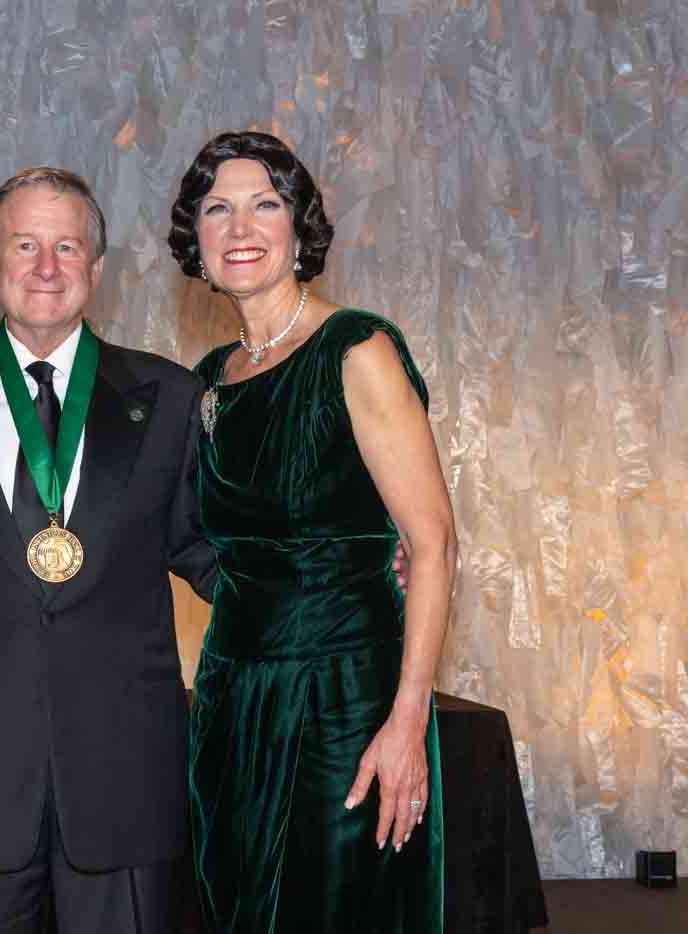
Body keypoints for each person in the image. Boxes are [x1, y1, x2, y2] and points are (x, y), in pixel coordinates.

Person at [0, 167, 217, 933]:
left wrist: (341, 574)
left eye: (67, 247)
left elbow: (213, 553)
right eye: (25, 245)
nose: (46, 267)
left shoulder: (168, 399)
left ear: (96, 271)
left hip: (124, 779)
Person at [168, 130, 455, 933]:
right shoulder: (207, 381)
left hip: (346, 694)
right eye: (216, 209)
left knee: (334, 909)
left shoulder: (355, 349)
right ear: (196, 240)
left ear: (300, 228)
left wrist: (406, 722)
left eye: (265, 204)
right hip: (232, 691)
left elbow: (432, 544)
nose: (240, 226)